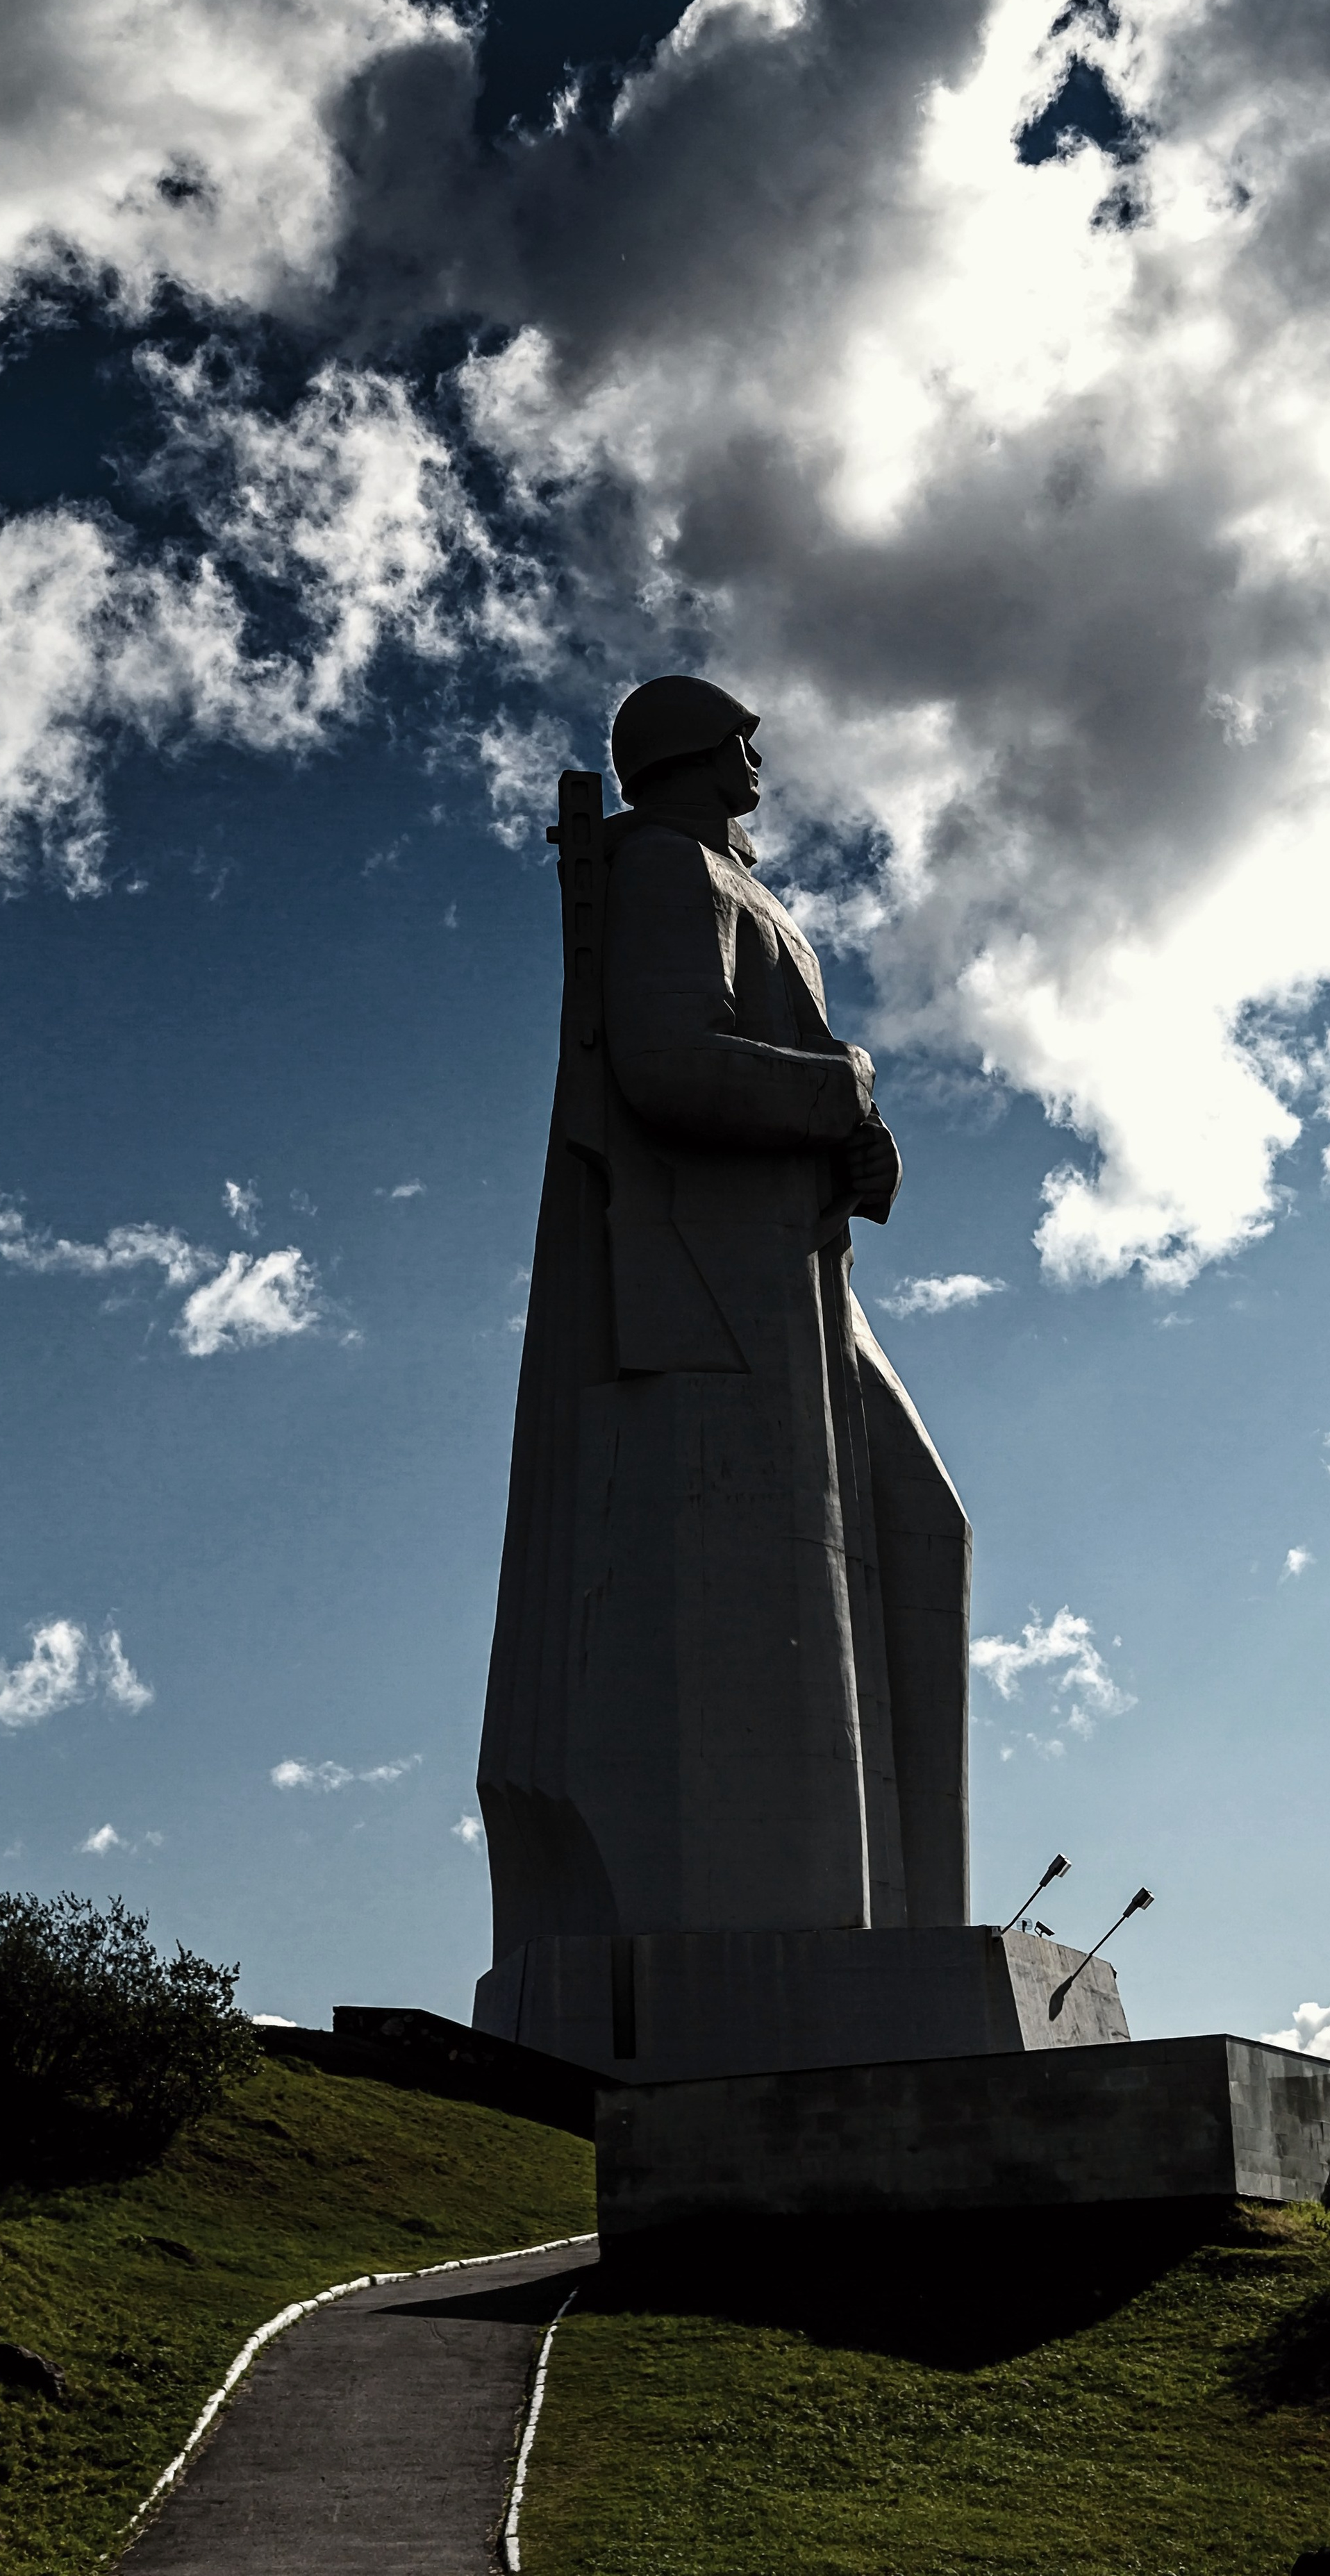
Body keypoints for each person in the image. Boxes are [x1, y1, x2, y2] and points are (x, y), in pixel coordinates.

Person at [476, 676, 973, 1988]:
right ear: (698, 752)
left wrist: (858, 1146)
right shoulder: (662, 869)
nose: (759, 753)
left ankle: (912, 1928)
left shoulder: (746, 892)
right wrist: (843, 1087)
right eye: (741, 736)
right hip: (711, 1276)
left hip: (797, 1266)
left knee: (922, 1525)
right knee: (770, 1569)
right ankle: (807, 1930)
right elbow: (666, 1062)